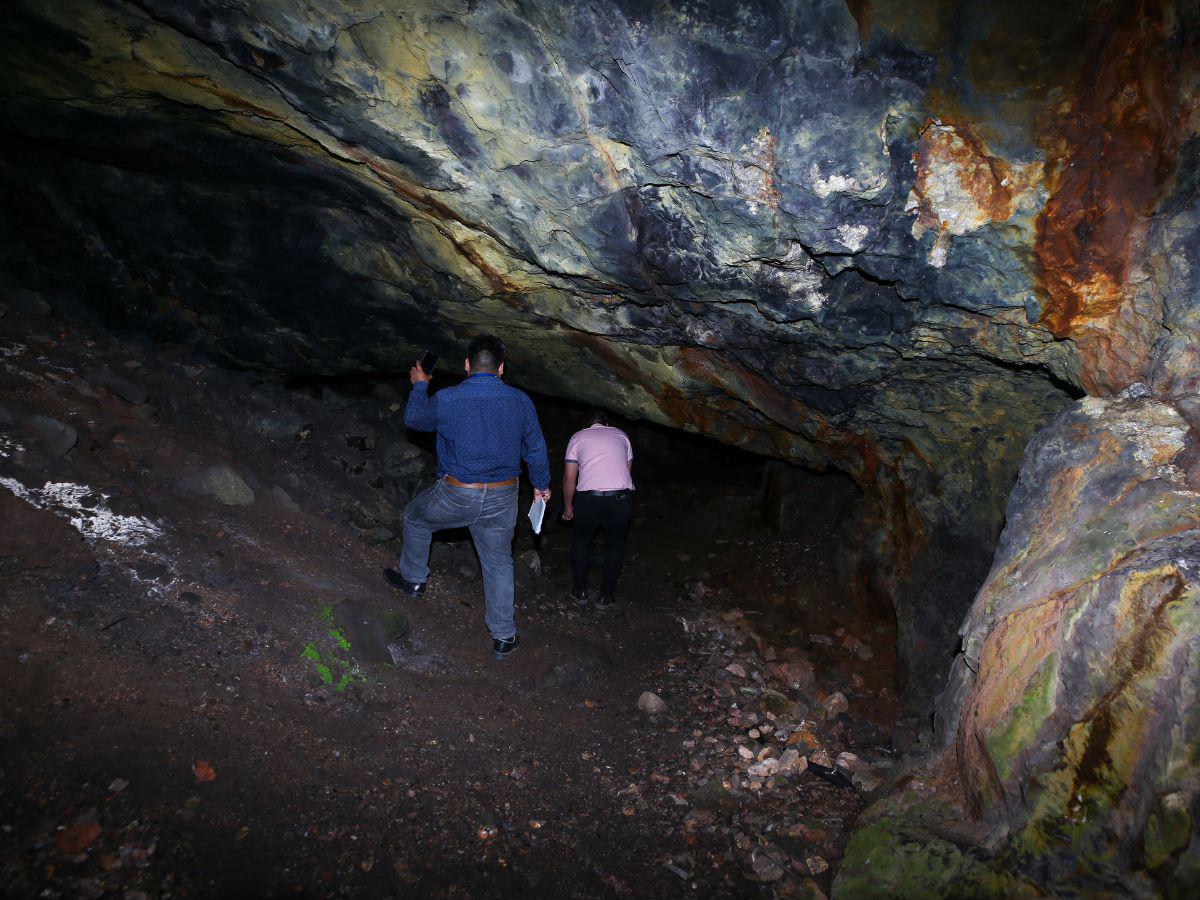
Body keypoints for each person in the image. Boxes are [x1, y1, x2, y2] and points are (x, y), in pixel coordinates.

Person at [383, 335, 551, 660]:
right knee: (499, 563)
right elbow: (536, 447)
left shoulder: (449, 398)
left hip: (459, 493)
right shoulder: (521, 401)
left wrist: (420, 385)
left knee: (416, 518)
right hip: (505, 495)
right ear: (501, 369)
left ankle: (414, 580)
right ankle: (504, 637)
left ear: (466, 366)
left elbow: (414, 419)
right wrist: (541, 484)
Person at [562, 409, 634, 608]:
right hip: (620, 498)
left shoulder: (578, 437)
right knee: (615, 545)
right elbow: (626, 473)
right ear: (607, 424)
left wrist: (568, 507)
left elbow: (569, 479)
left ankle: (580, 591)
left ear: (586, 426)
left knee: (581, 542)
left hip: (589, 499)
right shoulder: (622, 436)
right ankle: (606, 596)